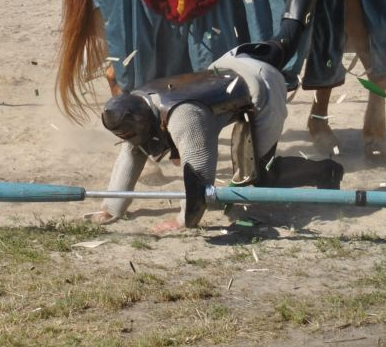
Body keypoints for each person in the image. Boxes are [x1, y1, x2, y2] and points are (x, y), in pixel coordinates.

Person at [87, 46, 343, 232]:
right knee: (246, 177)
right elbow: (132, 153)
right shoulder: (141, 104)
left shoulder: (184, 117)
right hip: (229, 64)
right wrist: (112, 207)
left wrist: (182, 221)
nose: (130, 140)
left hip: (261, 85)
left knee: (260, 175)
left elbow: (200, 176)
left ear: (142, 120)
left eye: (130, 135)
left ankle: (326, 171)